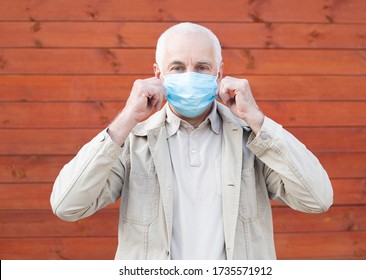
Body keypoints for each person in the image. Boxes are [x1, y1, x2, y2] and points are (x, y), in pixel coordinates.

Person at [50, 22, 333, 260]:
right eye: (177, 67)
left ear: (219, 74)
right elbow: (67, 205)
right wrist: (126, 119)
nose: (190, 75)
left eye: (201, 67)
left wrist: (257, 119)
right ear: (158, 74)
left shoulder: (253, 138)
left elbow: (317, 199)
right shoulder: (133, 141)